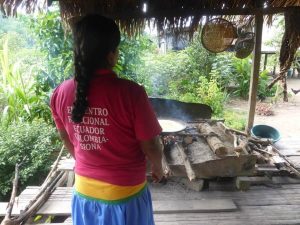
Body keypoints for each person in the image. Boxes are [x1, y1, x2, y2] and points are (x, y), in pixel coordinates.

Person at [50, 14, 164, 225]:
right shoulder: (131, 93)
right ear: (112, 55)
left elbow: (66, 137)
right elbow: (151, 145)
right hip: (125, 198)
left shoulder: (59, 93)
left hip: (84, 195)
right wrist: (158, 166)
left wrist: (88, 161)